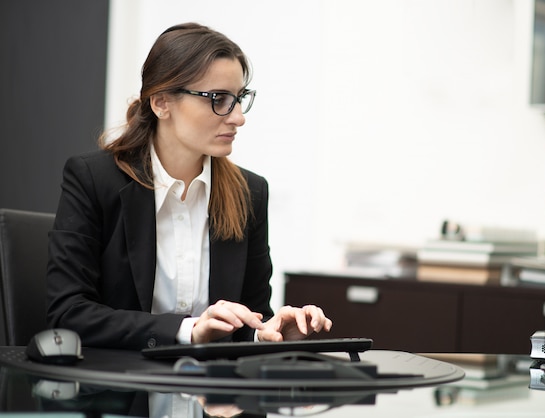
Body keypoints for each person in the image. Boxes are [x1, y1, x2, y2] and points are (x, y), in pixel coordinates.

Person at [46, 22, 332, 350]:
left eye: (239, 98)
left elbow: (248, 317)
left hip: (212, 396)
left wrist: (267, 332)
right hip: (116, 393)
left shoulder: (249, 193)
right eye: (218, 99)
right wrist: (188, 331)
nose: (238, 117)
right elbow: (68, 314)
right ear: (161, 103)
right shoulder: (94, 179)